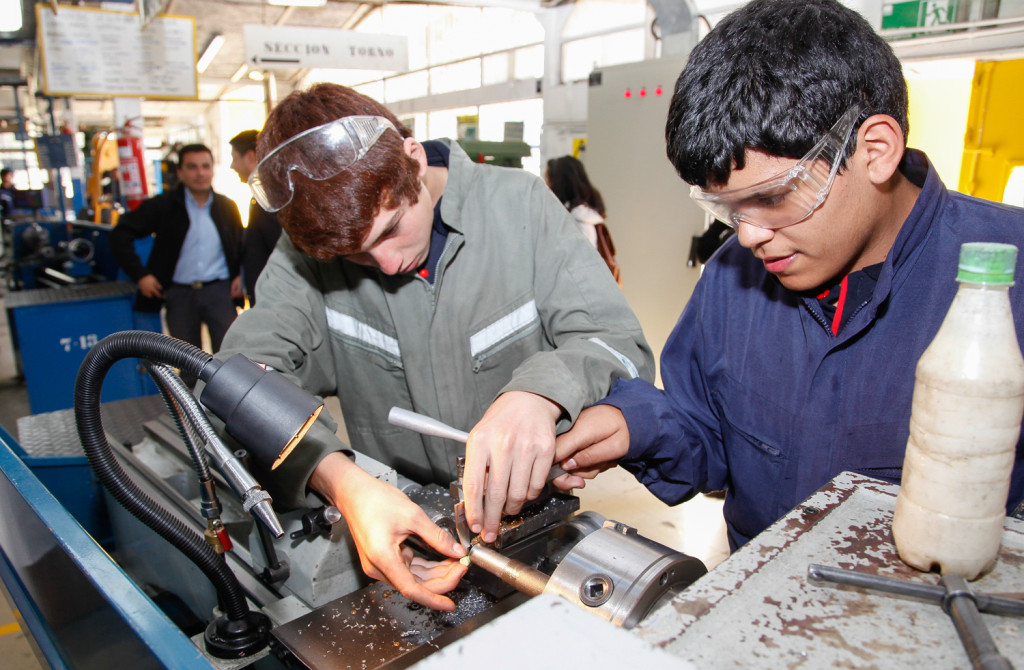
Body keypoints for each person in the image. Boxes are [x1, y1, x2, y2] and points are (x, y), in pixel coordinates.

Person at [553, 0, 1024, 552]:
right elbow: (708, 433)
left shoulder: (1009, 282)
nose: (749, 235)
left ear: (875, 150)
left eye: (773, 197)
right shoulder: (732, 277)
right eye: (728, 209)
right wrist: (634, 425)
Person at [215, 82, 653, 611]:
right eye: (356, 258)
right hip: (396, 515)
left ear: (413, 160)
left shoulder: (520, 206)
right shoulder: (306, 257)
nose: (387, 264)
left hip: (531, 522)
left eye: (391, 229)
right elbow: (234, 385)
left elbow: (618, 343)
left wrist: (539, 396)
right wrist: (338, 480)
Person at [111, 144, 244, 353]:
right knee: (187, 361)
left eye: (205, 166)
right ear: (180, 172)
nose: (200, 173)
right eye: (192, 167)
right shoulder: (163, 206)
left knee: (231, 360)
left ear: (212, 170)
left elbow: (240, 245)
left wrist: (239, 274)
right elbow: (119, 234)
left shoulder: (227, 207)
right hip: (179, 297)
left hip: (220, 294)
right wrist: (141, 276)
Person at [544, 155, 622, 283]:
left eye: (547, 179)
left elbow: (576, 267)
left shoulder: (576, 221)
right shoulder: (587, 215)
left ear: (557, 182)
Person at [229, 129, 282, 306]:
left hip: (274, 299)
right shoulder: (263, 194)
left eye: (234, 158)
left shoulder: (269, 197)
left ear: (250, 157)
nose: (232, 166)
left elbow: (277, 250)